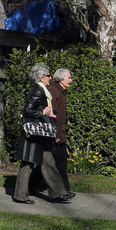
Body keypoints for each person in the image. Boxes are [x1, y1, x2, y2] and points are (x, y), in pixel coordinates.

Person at [12, 63, 71, 204]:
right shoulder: (38, 91)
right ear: (41, 77)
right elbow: (27, 110)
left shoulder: (43, 90)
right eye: (48, 75)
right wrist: (43, 112)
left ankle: (57, 193)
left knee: (47, 161)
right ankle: (21, 196)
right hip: (34, 134)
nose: (50, 78)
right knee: (28, 164)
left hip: (39, 134)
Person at [49, 68, 75, 199]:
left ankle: (64, 190)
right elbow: (53, 116)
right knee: (56, 163)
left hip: (60, 134)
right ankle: (62, 191)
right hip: (56, 135)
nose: (70, 80)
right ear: (60, 79)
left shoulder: (61, 91)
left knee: (59, 162)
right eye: (68, 78)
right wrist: (57, 135)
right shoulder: (54, 92)